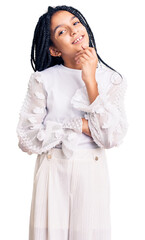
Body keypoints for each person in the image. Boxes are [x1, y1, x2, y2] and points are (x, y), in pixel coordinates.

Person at [16, 5, 128, 240]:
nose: (74, 30)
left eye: (75, 22)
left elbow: (111, 137)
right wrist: (81, 126)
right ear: (54, 50)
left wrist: (90, 81)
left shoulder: (111, 79)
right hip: (52, 170)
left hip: (92, 173)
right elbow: (27, 138)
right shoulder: (43, 80)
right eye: (62, 31)